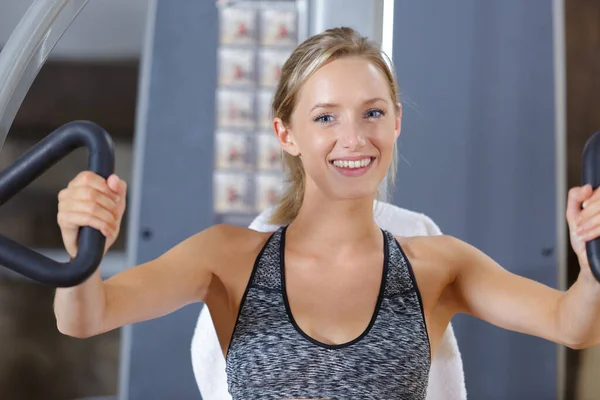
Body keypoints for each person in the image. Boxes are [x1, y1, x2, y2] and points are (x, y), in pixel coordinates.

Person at [54, 27, 600, 400]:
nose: (354, 138)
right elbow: (85, 318)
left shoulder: (438, 265)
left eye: (372, 113)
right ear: (285, 133)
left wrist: (592, 259)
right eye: (325, 118)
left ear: (397, 122)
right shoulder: (227, 258)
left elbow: (573, 325)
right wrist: (82, 247)